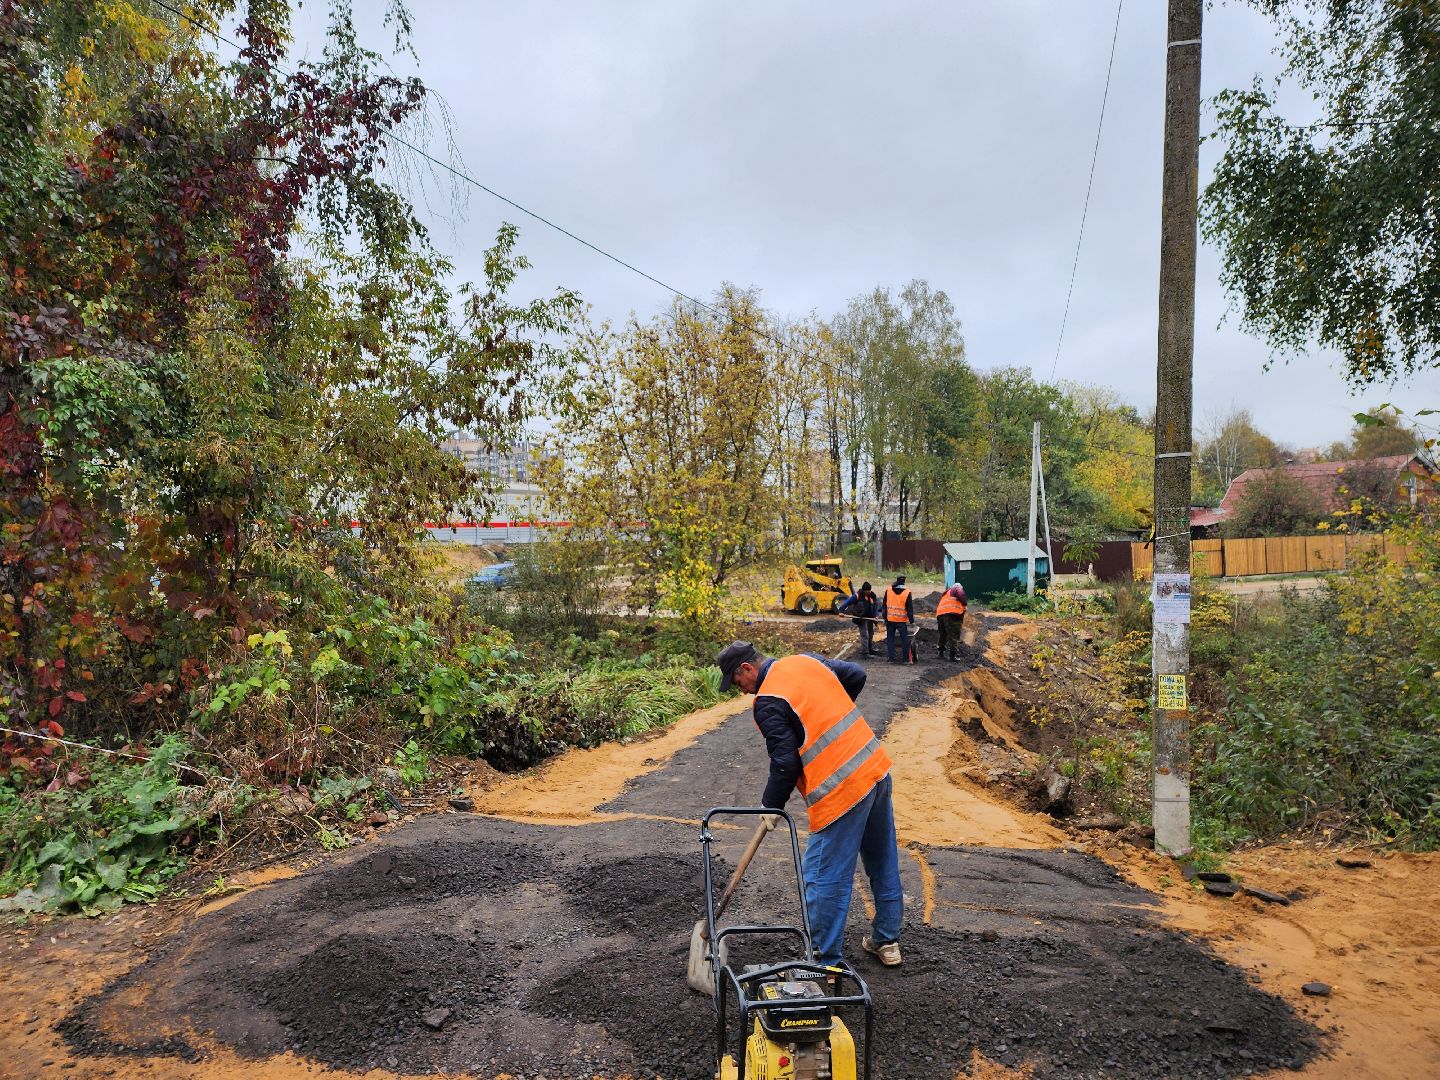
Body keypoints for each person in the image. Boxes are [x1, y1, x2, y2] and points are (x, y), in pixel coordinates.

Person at [716, 640, 903, 969]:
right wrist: (828, 713)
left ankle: (824, 958)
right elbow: (856, 675)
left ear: (747, 669)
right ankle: (887, 942)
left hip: (840, 791)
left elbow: (785, 763)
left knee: (824, 877)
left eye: (737, 682)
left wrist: (769, 808)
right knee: (882, 860)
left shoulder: (767, 701)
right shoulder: (804, 661)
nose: (741, 690)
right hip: (875, 769)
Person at [837, 581, 879, 656]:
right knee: (865, 635)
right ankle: (865, 652)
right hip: (861, 618)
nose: (869, 592)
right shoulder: (857, 596)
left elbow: (875, 606)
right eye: (867, 591)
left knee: (870, 633)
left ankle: (869, 648)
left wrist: (876, 616)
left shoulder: (872, 596)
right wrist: (841, 611)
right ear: (864, 590)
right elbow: (847, 602)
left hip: (870, 618)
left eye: (870, 590)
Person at [883, 575, 915, 663]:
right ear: (904, 582)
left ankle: (891, 658)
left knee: (890, 639)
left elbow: (884, 605)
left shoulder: (888, 590)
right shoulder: (907, 592)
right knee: (904, 640)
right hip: (901, 621)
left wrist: (885, 617)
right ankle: (905, 659)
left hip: (890, 620)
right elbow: (909, 608)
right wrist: (912, 621)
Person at [936, 583, 967, 661]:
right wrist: (964, 604)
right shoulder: (956, 588)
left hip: (940, 614)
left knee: (943, 634)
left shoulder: (945, 594)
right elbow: (961, 594)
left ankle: (941, 653)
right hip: (952, 614)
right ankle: (952, 656)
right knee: (953, 634)